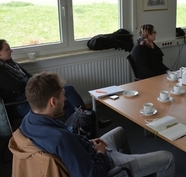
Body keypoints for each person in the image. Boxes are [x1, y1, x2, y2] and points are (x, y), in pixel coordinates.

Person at [10, 71, 175, 176]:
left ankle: (133, 171)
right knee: (168, 158)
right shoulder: (61, 139)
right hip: (105, 164)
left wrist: (88, 143)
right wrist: (101, 153)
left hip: (88, 151)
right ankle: (126, 170)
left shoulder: (29, 121)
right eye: (62, 95)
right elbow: (91, 175)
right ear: (53, 101)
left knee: (120, 131)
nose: (65, 98)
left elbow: (68, 145)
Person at [0, 39, 111, 127]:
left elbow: (30, 78)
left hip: (31, 96)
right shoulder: (1, 70)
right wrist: (30, 82)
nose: (11, 51)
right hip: (21, 104)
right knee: (68, 91)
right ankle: (89, 120)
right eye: (7, 49)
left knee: (67, 100)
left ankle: (74, 128)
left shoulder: (11, 63)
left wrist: (29, 82)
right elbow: (21, 86)